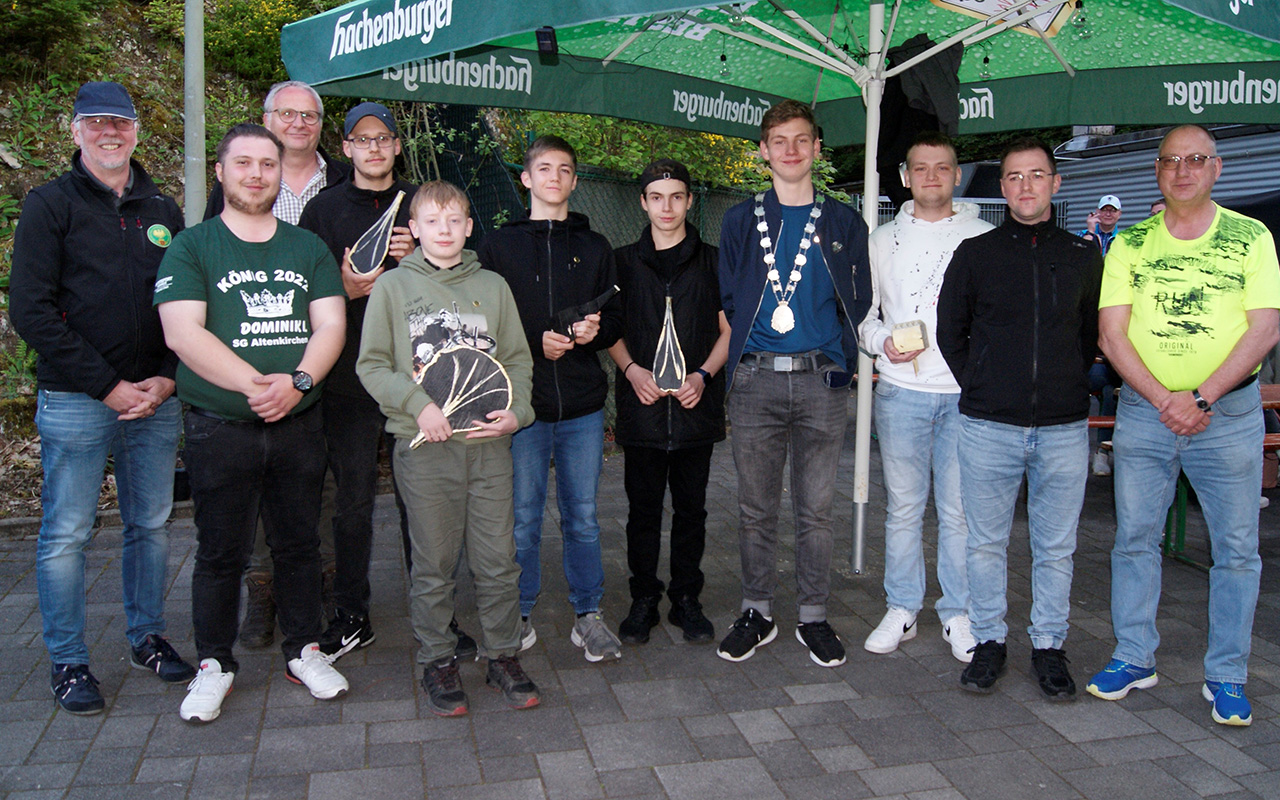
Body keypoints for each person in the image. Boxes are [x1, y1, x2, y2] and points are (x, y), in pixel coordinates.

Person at [10, 81, 196, 715]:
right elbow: (30, 311)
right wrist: (108, 386)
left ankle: (146, 636)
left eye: (120, 122)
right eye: (95, 123)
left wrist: (169, 376)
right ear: (75, 130)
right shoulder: (48, 205)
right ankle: (68, 662)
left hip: (155, 399)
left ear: (137, 131)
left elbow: (187, 306)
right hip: (78, 400)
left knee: (149, 524)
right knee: (67, 533)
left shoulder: (163, 211)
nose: (109, 132)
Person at [1085, 125, 1280, 727]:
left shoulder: (1252, 237)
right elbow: (1110, 334)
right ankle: (1134, 656)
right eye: (1171, 161)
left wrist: (1200, 396)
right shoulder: (1131, 242)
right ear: (1158, 171)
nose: (1183, 170)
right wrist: (1166, 400)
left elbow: (1265, 328)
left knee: (1237, 551)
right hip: (1146, 414)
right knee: (1134, 541)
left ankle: (1226, 675)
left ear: (1216, 168)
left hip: (1230, 415)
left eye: (1196, 159)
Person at [155, 123, 349, 723]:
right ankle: (214, 663)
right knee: (219, 551)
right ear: (220, 171)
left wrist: (298, 384)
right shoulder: (191, 247)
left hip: (298, 423)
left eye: (267, 163)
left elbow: (331, 327)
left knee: (298, 545)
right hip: (221, 426)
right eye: (243, 163)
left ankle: (305, 650)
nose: (256, 174)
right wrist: (254, 386)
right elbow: (182, 331)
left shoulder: (307, 247)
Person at [357, 180, 540, 716]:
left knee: (498, 561)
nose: (444, 231)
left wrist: (517, 413)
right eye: (432, 222)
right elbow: (371, 365)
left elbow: (518, 360)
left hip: (487, 449)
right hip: (427, 449)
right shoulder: (392, 288)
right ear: (413, 230)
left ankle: (503, 655)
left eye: (455, 220)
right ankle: (437, 660)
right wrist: (418, 405)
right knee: (434, 563)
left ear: (468, 225)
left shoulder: (494, 286)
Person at [936, 137, 1103, 699]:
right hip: (988, 426)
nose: (1025, 185)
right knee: (985, 543)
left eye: (1037, 175)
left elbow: (1089, 337)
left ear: (1056, 184)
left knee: (1056, 546)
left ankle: (1049, 646)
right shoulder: (977, 254)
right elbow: (949, 332)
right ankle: (988, 643)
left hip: (1062, 428)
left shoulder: (1084, 256)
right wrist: (984, 386)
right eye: (1013, 176)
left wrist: (1063, 385)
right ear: (1001, 187)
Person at [716, 100, 871, 668]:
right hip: (755, 380)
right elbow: (729, 298)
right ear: (763, 150)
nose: (789, 149)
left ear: (816, 150)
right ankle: (756, 610)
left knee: (817, 510)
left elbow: (860, 299)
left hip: (821, 384)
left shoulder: (844, 221)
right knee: (755, 508)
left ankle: (813, 616)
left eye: (801, 140)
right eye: (778, 140)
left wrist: (847, 363)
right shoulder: (739, 220)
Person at [478, 135, 624, 663]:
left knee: (582, 516)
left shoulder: (596, 246)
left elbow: (617, 323)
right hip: (522, 409)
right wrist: (535, 337)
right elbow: (483, 323)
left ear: (574, 180)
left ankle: (588, 615)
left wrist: (594, 332)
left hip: (583, 407)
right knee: (522, 517)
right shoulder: (496, 247)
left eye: (564, 169)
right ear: (526, 178)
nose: (554, 178)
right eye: (544, 168)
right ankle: (518, 613)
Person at [858, 132, 991, 663]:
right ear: (904, 176)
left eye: (942, 167)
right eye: (921, 167)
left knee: (959, 512)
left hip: (965, 398)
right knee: (904, 510)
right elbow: (863, 317)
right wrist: (879, 343)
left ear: (957, 175)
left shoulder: (983, 236)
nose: (931, 176)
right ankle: (902, 607)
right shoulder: (881, 240)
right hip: (901, 394)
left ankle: (957, 612)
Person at [296, 102, 416, 661]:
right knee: (354, 502)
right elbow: (302, 301)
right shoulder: (322, 212)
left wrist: (419, 259)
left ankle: (432, 609)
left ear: (396, 146)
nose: (373, 148)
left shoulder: (423, 206)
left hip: (417, 378)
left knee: (423, 500)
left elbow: (464, 278)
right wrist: (347, 287)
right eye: (362, 139)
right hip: (347, 382)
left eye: (383, 138)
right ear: (345, 147)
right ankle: (352, 613)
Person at [608, 159, 729, 645]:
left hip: (695, 409)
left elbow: (729, 329)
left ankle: (685, 599)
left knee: (692, 511)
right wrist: (632, 369)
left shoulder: (715, 261)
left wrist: (703, 375)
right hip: (643, 409)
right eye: (657, 197)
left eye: (677, 196)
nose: (667, 206)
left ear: (689, 201)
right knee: (642, 511)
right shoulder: (620, 262)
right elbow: (608, 330)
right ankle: (643, 600)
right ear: (643, 201)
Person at [203, 80, 351, 224]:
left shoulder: (349, 180)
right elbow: (211, 240)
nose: (299, 124)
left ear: (320, 124)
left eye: (309, 115)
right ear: (267, 121)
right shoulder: (240, 180)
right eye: (287, 114)